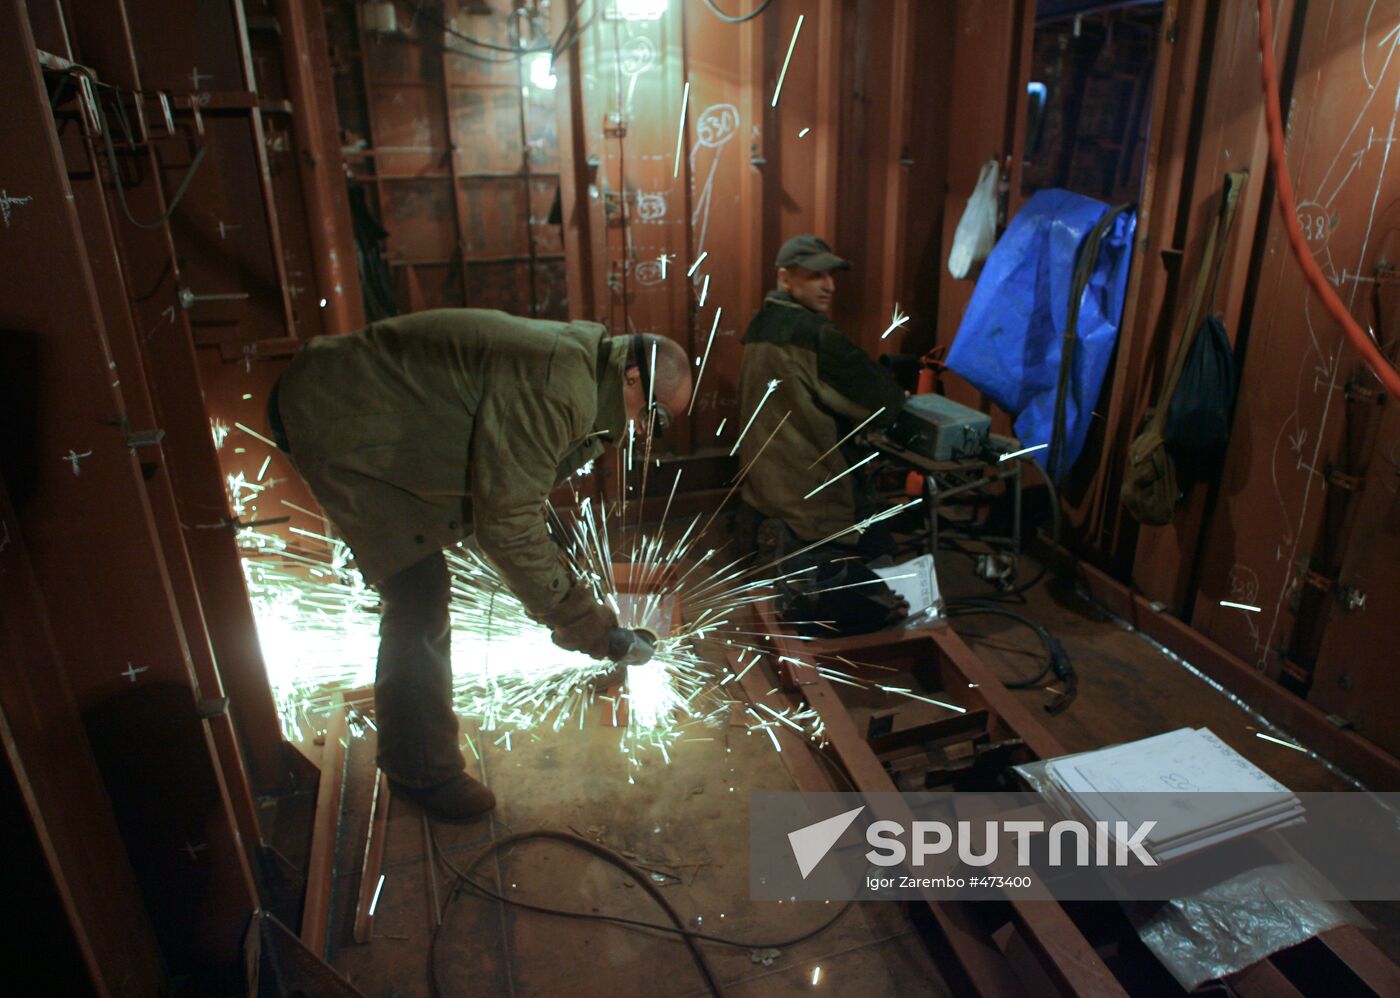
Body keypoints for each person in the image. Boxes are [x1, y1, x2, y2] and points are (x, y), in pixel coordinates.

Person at [268, 309, 692, 821]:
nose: (645, 431)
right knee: (418, 594)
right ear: (631, 376)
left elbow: (518, 489)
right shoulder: (561, 389)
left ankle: (417, 757)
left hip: (375, 414)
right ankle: (421, 771)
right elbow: (507, 523)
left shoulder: (581, 371)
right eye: (654, 415)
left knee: (433, 572)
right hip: (339, 417)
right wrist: (594, 630)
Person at [736, 235, 907, 565]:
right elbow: (884, 404)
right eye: (815, 275)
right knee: (887, 564)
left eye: (831, 275)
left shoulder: (759, 326)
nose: (828, 285)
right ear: (785, 278)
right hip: (810, 503)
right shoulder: (816, 335)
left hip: (761, 491)